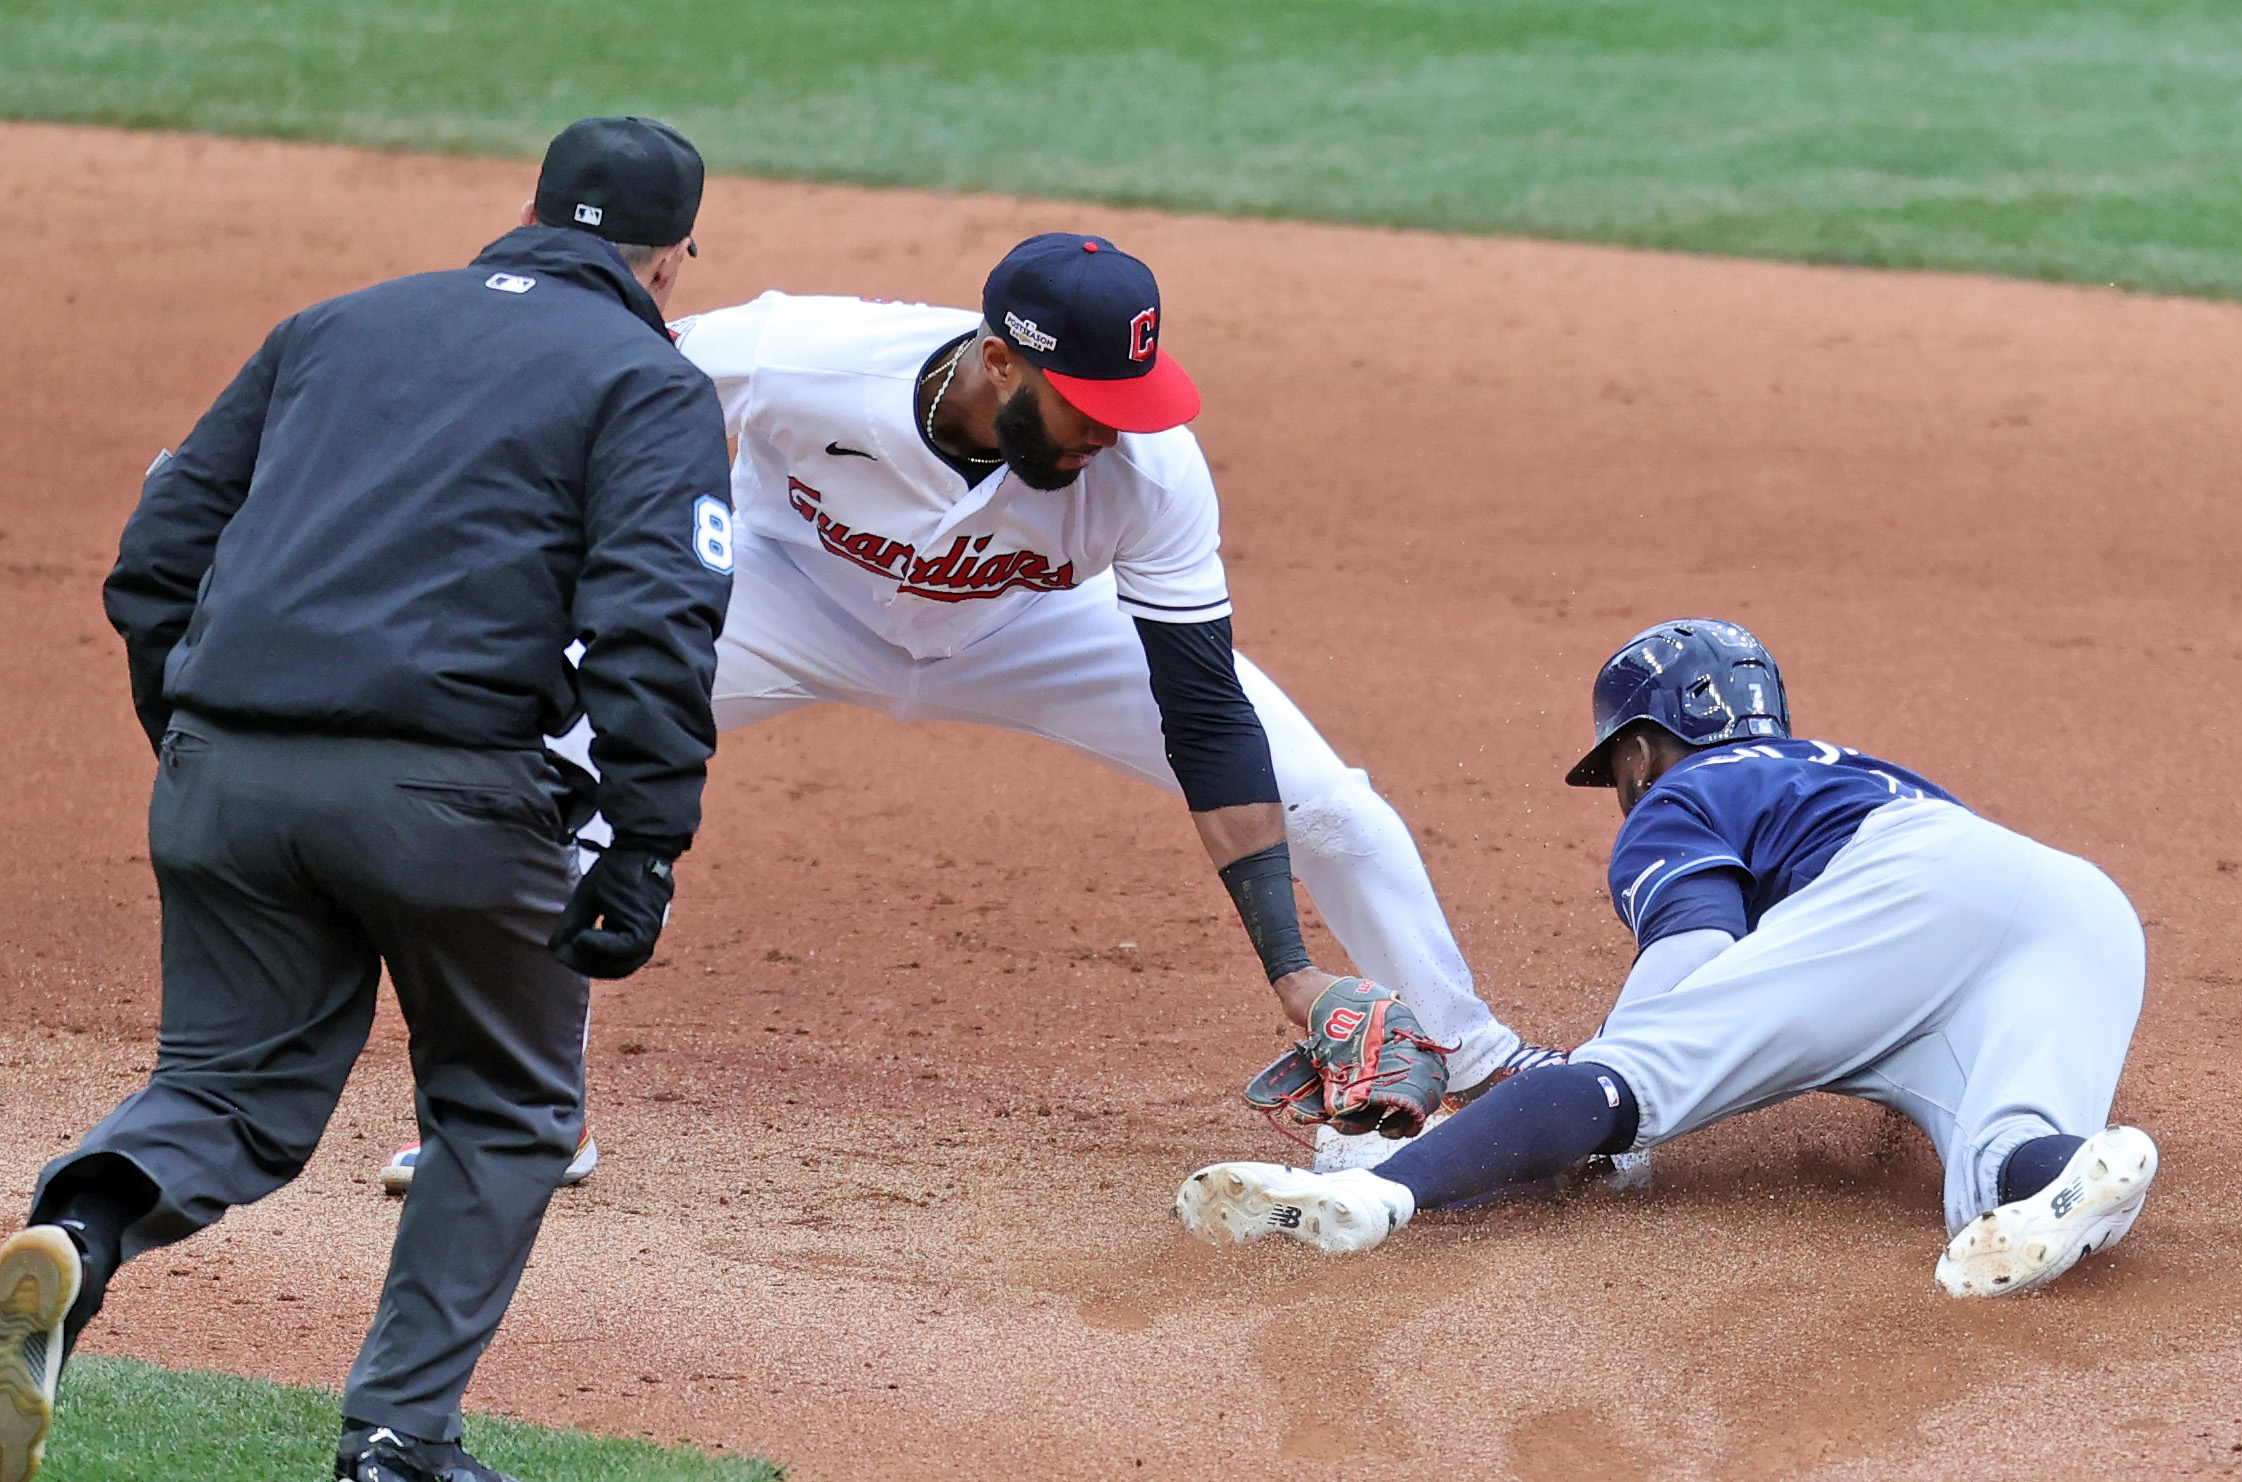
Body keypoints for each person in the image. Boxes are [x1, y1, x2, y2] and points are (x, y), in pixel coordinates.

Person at [0, 116, 732, 1482]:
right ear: (673, 258)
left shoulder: (330, 326)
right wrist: (646, 839)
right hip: (453, 801)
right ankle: (399, 1439)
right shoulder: (646, 379)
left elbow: (159, 555)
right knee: (507, 1107)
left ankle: (84, 1225)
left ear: (529, 211)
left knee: (223, 1086)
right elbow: (657, 619)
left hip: (227, 776)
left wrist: (196, 735)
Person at [499, 231, 1554, 1174]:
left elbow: (1204, 711)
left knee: (1327, 805)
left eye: (1128, 403)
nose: (1111, 432)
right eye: (1087, 405)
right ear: (999, 359)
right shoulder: (796, 354)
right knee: (552, 740)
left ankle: (1482, 1064)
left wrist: (1289, 968)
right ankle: (532, 1103)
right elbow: (591, 391)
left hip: (1034, 628)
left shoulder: (1152, 472)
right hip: (788, 596)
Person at [1174, 619, 2161, 1298]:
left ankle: (1373, 1194)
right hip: (2081, 913)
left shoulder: (1686, 794)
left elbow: (1689, 960)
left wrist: (1584, 1095)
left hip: (1907, 897)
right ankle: (2083, 1168)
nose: (1621, 794)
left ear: (1642, 749)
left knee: (1624, 1080)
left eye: (1615, 772)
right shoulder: (1839, 773)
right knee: (2001, 1182)